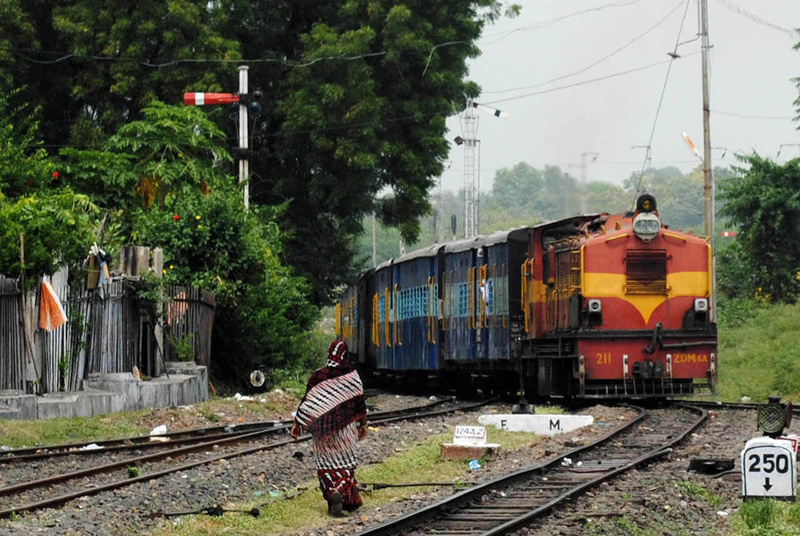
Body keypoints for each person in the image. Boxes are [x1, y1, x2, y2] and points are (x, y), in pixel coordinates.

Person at [290, 340, 368, 516]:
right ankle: (340, 491)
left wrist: (298, 424)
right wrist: (363, 425)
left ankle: (332, 492)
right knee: (346, 465)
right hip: (345, 433)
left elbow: (307, 403)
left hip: (322, 432)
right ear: (345, 356)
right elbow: (359, 404)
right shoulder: (352, 376)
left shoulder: (317, 376)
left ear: (329, 354)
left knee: (326, 466)